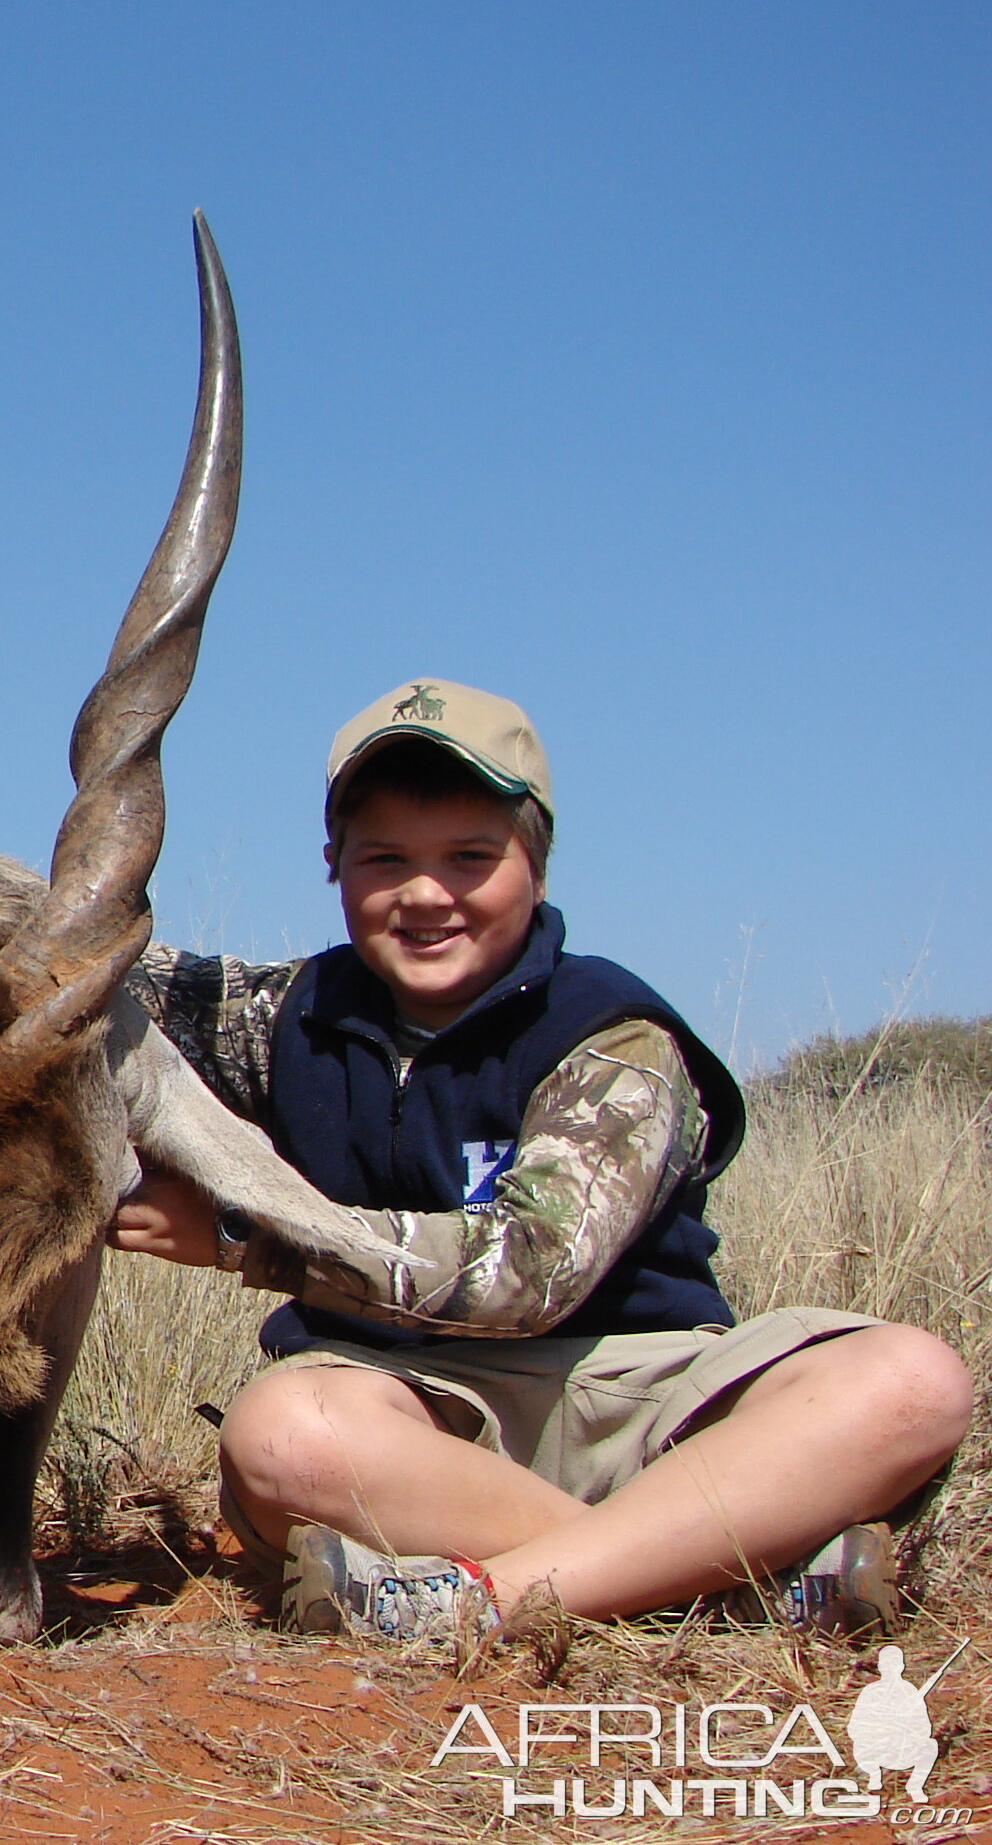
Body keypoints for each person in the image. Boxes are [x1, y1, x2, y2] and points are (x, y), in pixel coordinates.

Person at [107, 678, 972, 1643]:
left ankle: (488, 1599)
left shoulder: (615, 1037)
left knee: (911, 1380)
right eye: (385, 858)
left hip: (641, 1404)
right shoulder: (282, 1017)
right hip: (411, 1422)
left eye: (471, 858)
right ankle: (718, 1581)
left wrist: (247, 1236)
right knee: (283, 1434)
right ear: (332, 864)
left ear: (539, 866)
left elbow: (530, 1276)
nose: (427, 893)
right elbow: (71, 958)